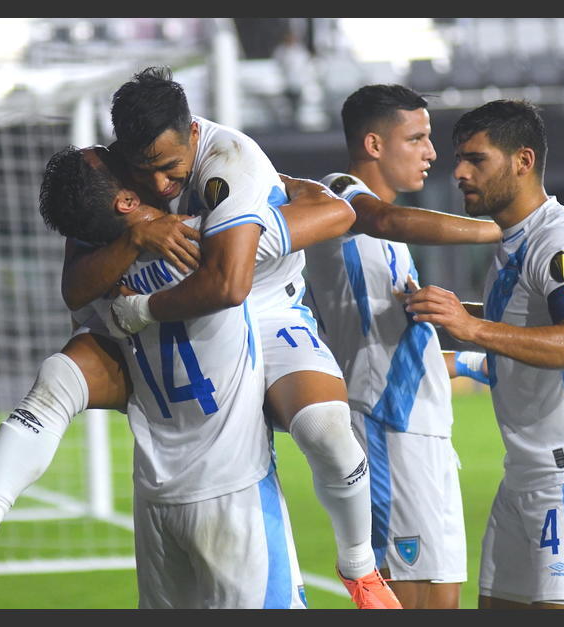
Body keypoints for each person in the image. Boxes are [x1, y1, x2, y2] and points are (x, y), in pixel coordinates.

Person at [0, 145, 347, 607]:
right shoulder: (210, 240)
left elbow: (72, 288)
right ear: (127, 201)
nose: (125, 154)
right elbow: (334, 215)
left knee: (58, 377)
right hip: (233, 487)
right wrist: (281, 183)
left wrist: (133, 243)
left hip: (156, 492)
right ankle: (359, 562)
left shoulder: (99, 277)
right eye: (119, 162)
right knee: (325, 425)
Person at [77, 66, 400, 608]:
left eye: (170, 168)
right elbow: (74, 280)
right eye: (144, 170)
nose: (159, 184)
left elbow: (230, 284)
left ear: (194, 135)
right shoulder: (112, 169)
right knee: (63, 380)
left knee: (327, 430)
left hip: (265, 309)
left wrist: (141, 307)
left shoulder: (229, 163)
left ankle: (360, 568)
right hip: (194, 324)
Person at [404, 99, 564, 609]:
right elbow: (520, 329)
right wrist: (448, 326)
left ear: (523, 161)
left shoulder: (559, 241)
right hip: (522, 479)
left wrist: (470, 326)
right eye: (458, 158)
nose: (459, 171)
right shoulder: (516, 240)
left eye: (476, 159)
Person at [303, 84, 500, 609]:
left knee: (442, 601)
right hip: (388, 429)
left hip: (424, 432)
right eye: (417, 138)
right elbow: (384, 221)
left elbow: (400, 348)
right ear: (373, 144)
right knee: (415, 605)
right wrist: (501, 229)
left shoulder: (387, 232)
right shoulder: (339, 197)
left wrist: (479, 360)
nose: (431, 153)